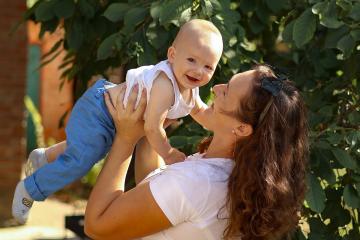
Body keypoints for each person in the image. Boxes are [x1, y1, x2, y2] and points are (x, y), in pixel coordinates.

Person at [12, 19, 223, 224]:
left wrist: (223, 126)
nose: (198, 71)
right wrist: (168, 153)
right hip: (100, 109)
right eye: (192, 60)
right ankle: (30, 189)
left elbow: (202, 113)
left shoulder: (190, 90)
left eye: (208, 67)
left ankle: (44, 157)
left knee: (87, 149)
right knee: (81, 160)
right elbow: (152, 127)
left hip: (114, 117)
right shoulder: (165, 85)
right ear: (172, 55)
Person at [84, 64, 309, 240]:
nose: (215, 88)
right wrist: (149, 130)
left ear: (241, 129)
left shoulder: (197, 183)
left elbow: (97, 226)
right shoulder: (232, 175)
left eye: (227, 92)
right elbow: (156, 197)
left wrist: (125, 138)